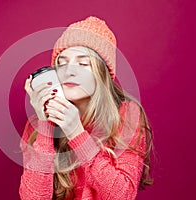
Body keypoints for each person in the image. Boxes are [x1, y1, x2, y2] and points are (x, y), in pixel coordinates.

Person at [19, 16, 154, 200]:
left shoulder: (126, 114)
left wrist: (76, 133)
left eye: (83, 63)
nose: (70, 71)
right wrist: (45, 125)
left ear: (102, 73)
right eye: (62, 63)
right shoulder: (38, 123)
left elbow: (122, 196)